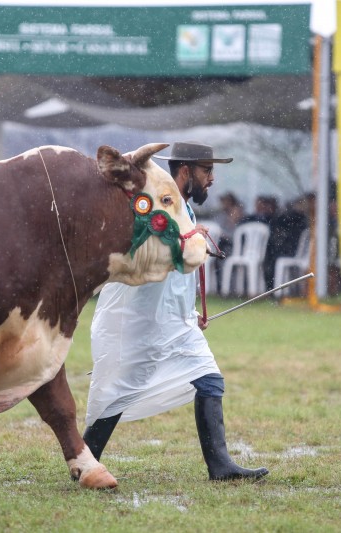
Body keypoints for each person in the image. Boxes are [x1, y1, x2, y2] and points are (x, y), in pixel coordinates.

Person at [83, 141, 269, 481]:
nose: (212, 179)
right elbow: (148, 249)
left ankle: (221, 467)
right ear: (186, 171)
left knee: (210, 380)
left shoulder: (186, 210)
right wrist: (187, 240)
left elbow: (179, 272)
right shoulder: (152, 203)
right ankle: (84, 459)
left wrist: (190, 310)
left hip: (175, 321)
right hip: (137, 320)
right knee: (116, 393)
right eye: (207, 171)